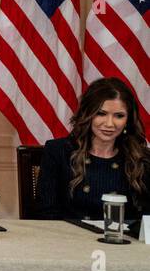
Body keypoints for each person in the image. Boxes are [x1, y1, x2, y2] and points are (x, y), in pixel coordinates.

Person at [38, 76, 147, 222]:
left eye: (119, 116)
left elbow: (146, 220)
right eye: (101, 114)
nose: (109, 124)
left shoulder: (142, 158)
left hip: (123, 241)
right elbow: (47, 213)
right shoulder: (58, 152)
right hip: (69, 240)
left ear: (128, 120)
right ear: (87, 114)